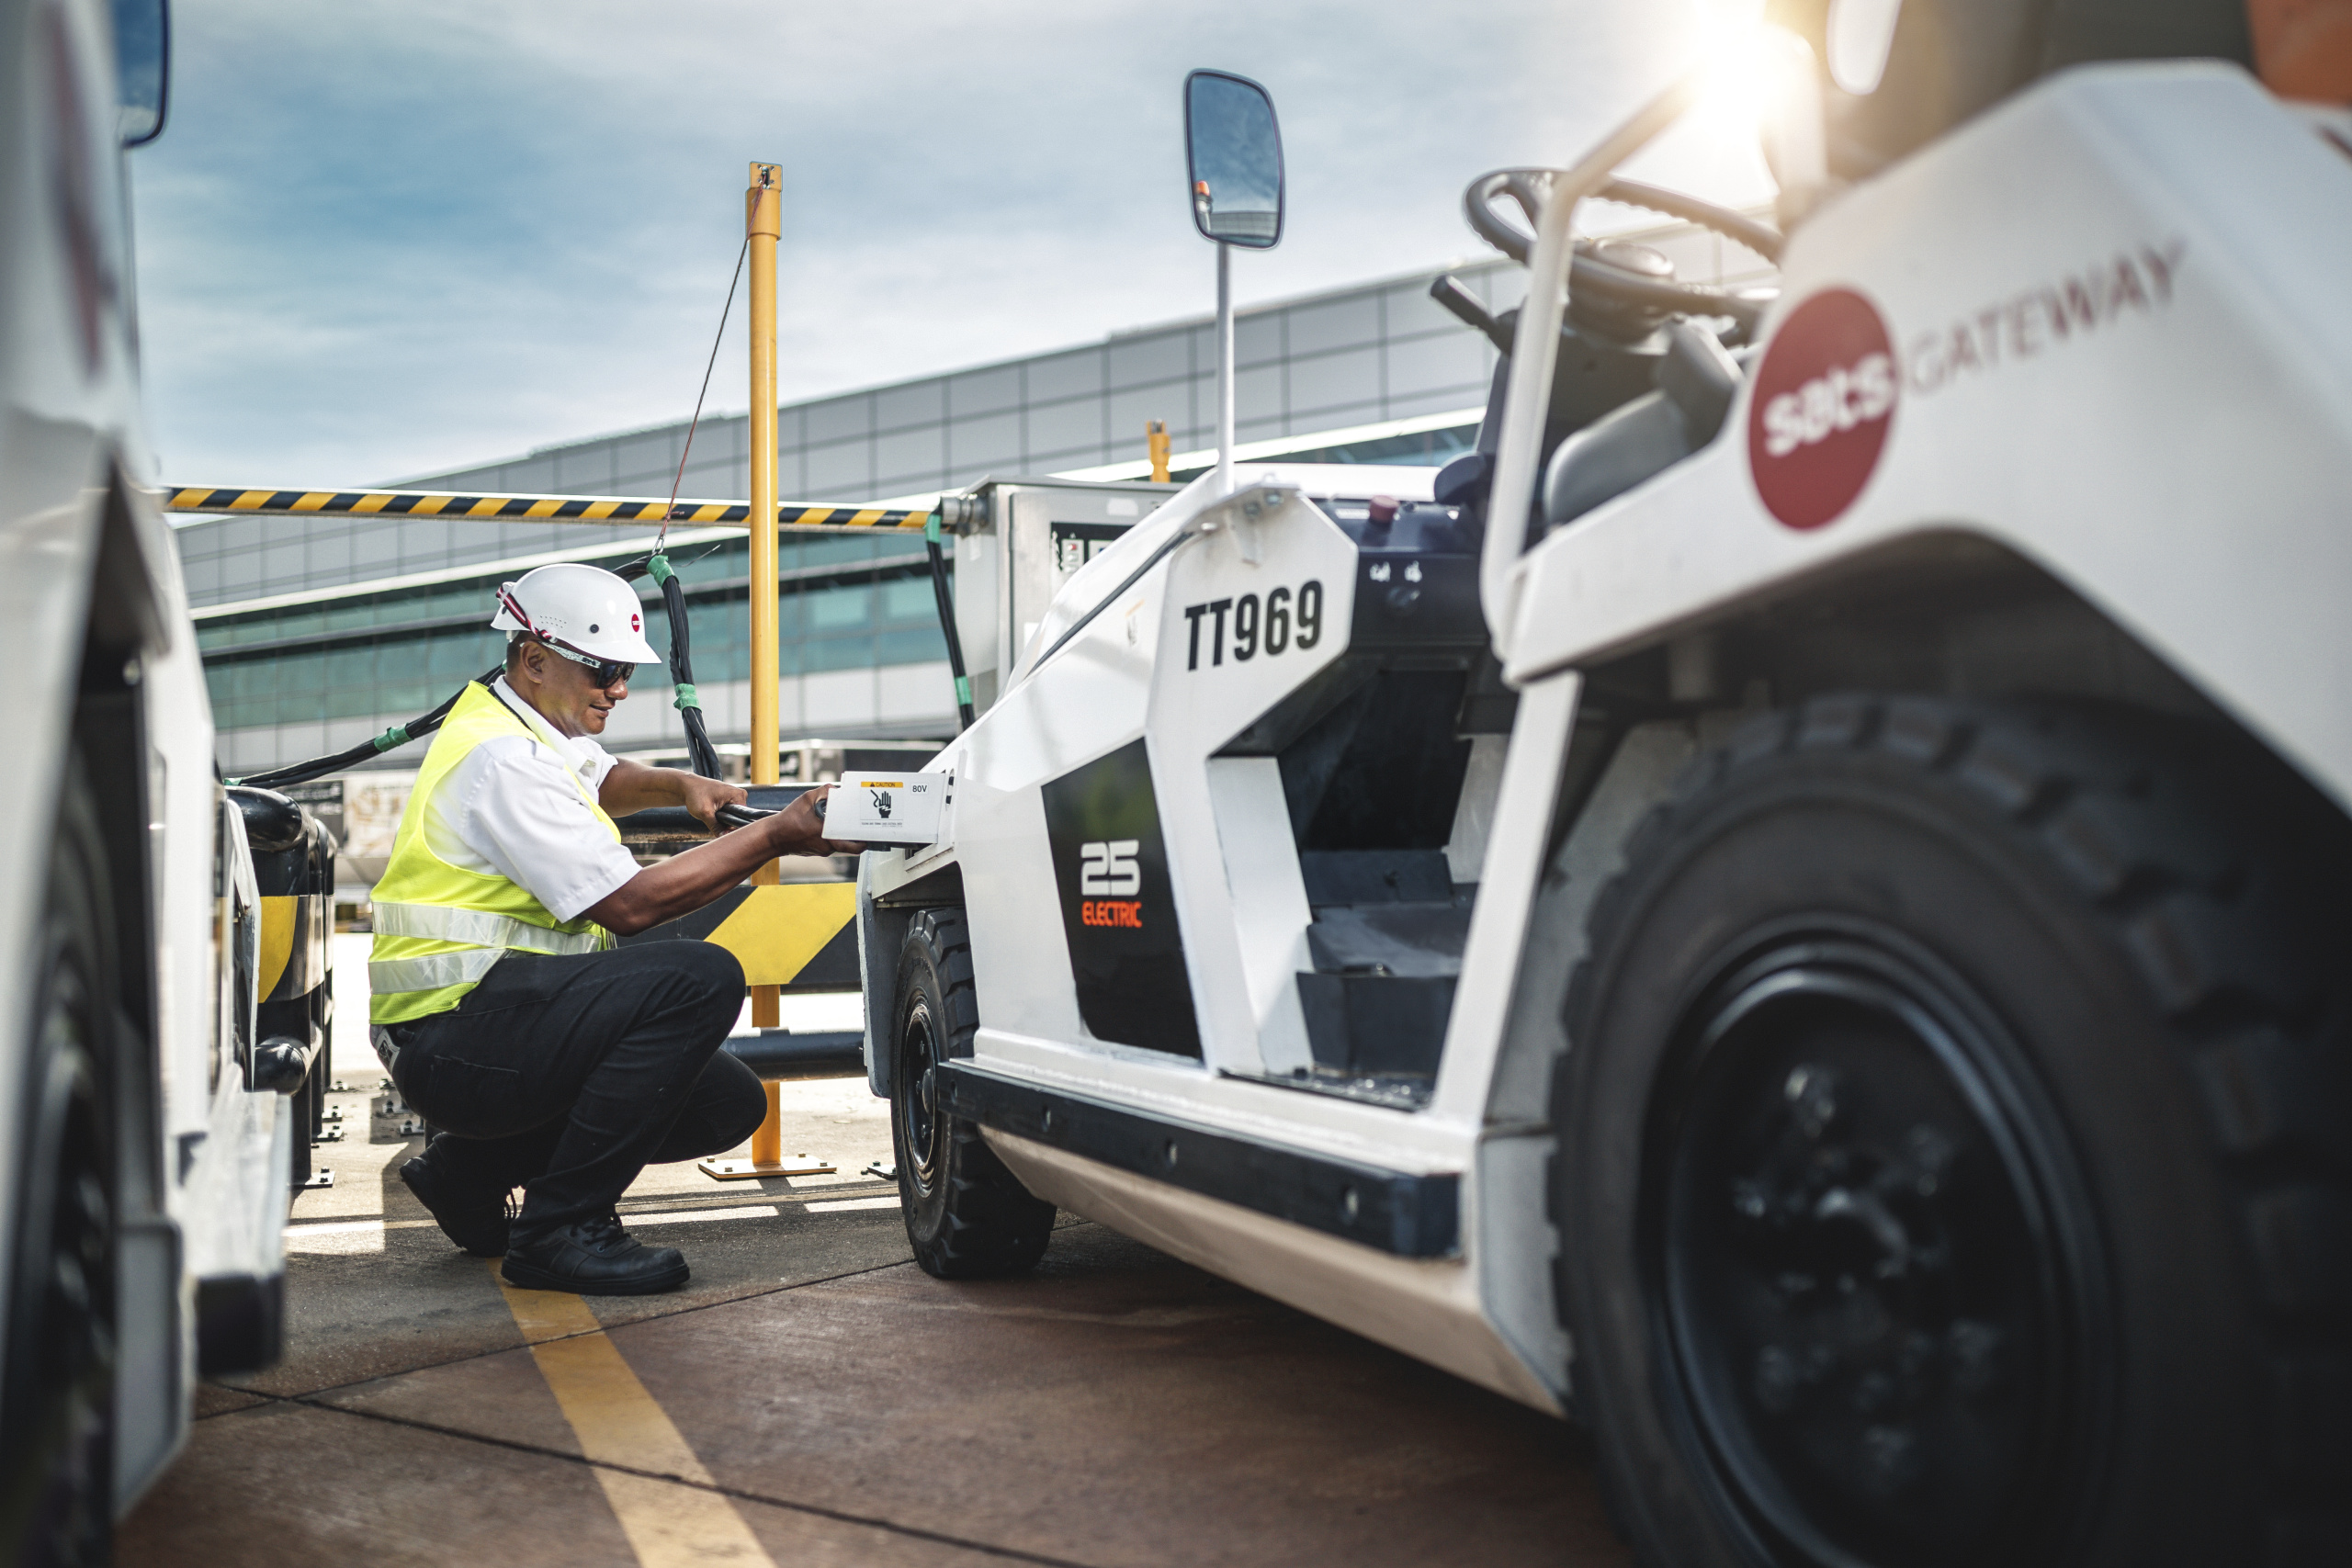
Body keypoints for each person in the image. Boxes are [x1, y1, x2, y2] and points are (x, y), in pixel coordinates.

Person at [368, 562, 861, 1294]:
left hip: (472, 1031)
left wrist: (678, 785)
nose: (620, 689)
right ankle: (560, 1228)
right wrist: (775, 836)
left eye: (626, 671)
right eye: (602, 670)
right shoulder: (504, 759)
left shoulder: (518, 720)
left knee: (727, 1100)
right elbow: (628, 905)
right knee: (701, 979)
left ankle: (468, 1171)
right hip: (452, 1043)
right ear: (534, 659)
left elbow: (597, 776)